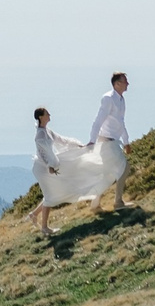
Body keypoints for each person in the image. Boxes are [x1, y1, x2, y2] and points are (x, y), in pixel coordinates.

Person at [29, 106, 95, 233]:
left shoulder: (47, 131)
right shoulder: (40, 135)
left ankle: (34, 215)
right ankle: (44, 228)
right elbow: (44, 153)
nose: (50, 115)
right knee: (50, 195)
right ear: (41, 117)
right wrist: (50, 165)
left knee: (52, 193)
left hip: (48, 166)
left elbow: (62, 140)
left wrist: (78, 145)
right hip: (42, 169)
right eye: (47, 113)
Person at [90, 72, 131, 212]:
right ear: (117, 84)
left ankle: (95, 205)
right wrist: (91, 140)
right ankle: (118, 202)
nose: (128, 84)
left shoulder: (121, 100)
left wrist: (126, 142)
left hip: (112, 141)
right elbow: (98, 120)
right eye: (125, 81)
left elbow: (120, 122)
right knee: (124, 168)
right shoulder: (108, 98)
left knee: (108, 174)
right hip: (106, 141)